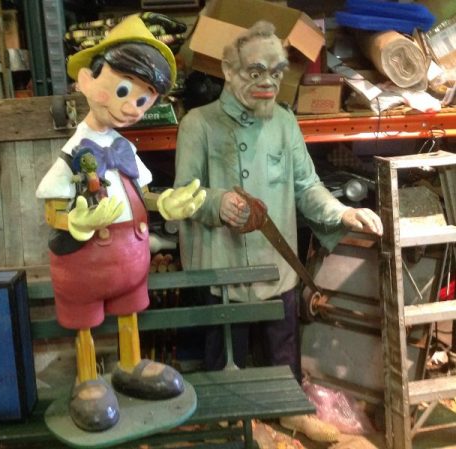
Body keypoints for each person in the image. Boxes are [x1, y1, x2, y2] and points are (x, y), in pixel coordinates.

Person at [174, 20, 383, 442]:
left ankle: (291, 411)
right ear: (229, 71)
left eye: (275, 71)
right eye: (255, 72)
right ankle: (228, 420)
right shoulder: (199, 124)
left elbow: (307, 186)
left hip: (276, 262)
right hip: (221, 265)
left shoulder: (285, 122)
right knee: (224, 349)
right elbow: (182, 195)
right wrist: (216, 202)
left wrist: (341, 212)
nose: (268, 82)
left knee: (283, 344)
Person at [35, 15, 205, 432]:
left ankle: (130, 364)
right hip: (85, 264)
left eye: (144, 99)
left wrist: (164, 203)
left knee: (129, 312)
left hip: (129, 262)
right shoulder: (73, 154)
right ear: (86, 81)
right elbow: (52, 208)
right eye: (124, 90)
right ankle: (87, 378)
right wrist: (76, 220)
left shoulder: (125, 148)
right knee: (85, 322)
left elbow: (141, 194)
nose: (132, 107)